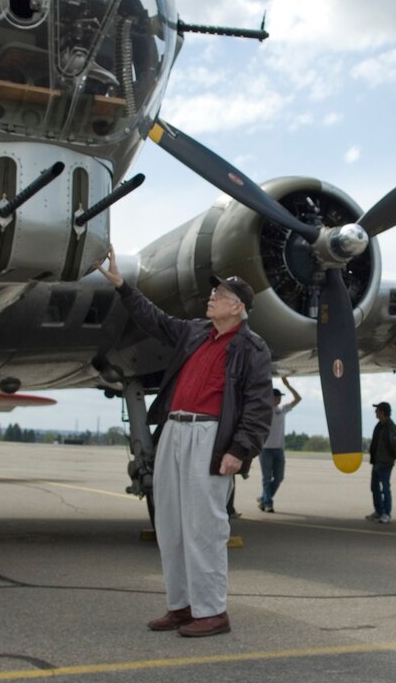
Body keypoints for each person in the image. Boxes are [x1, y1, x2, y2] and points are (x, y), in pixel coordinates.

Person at [97, 247, 272, 638]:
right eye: (213, 293)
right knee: (171, 525)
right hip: (174, 432)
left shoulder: (252, 348)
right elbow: (154, 320)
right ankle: (181, 606)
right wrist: (124, 287)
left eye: (220, 295)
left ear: (238, 307)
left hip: (209, 438)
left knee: (204, 528)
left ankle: (212, 612)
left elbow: (260, 407)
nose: (212, 297)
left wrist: (240, 451)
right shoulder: (195, 332)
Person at [256, 376, 302, 513]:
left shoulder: (282, 409)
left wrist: (288, 385)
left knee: (279, 477)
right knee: (266, 478)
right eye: (276, 397)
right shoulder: (263, 409)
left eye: (280, 397)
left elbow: (298, 399)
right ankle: (268, 503)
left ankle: (264, 498)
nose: (279, 399)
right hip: (265, 449)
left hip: (278, 449)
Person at [365, 401, 396, 524]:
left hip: (385, 463)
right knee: (374, 487)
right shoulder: (379, 426)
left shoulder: (391, 428)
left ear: (382, 412)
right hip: (376, 462)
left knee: (385, 488)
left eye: (377, 410)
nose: (375, 412)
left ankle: (386, 513)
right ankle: (379, 511)